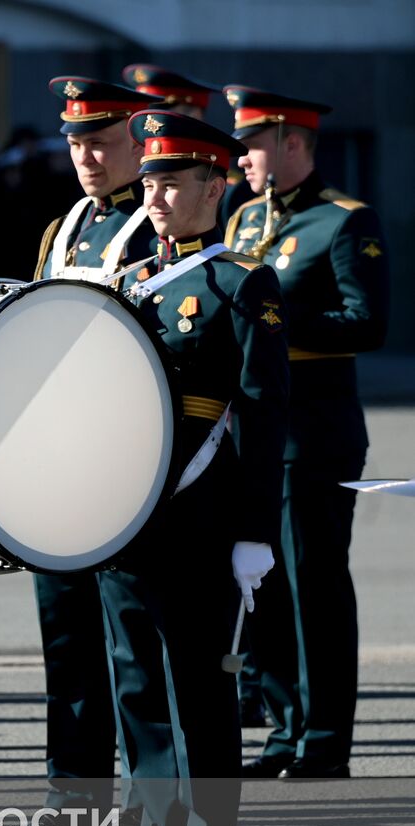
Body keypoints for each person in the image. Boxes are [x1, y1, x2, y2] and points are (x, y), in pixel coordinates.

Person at [89, 110, 288, 826]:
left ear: (218, 185)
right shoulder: (130, 280)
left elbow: (266, 416)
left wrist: (255, 534)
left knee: (197, 699)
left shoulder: (242, 284)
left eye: (174, 181)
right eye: (152, 181)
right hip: (127, 517)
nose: (156, 195)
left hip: (201, 521)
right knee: (137, 691)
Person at [223, 85, 390, 781]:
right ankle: (284, 731)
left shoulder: (343, 222)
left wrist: (276, 328)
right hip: (251, 436)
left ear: (293, 143)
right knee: (265, 588)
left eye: (253, 145)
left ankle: (324, 739)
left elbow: (368, 323)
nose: (243, 158)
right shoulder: (239, 220)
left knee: (311, 585)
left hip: (313, 433)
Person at [20, 76, 156, 826]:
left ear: (139, 141)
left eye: (100, 142)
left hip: (122, 455)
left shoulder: (153, 225)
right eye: (75, 143)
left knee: (129, 642)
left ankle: (144, 801)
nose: (86, 157)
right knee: (66, 634)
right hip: (59, 455)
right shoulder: (64, 225)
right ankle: (72, 793)